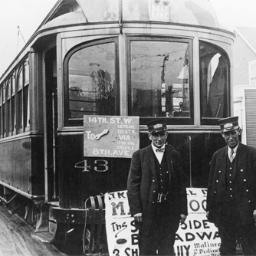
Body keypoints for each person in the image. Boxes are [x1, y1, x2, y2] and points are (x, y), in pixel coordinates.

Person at [127, 120, 187, 255]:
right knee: (147, 248)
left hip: (169, 211)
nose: (159, 139)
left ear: (166, 135)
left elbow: (180, 185)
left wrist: (183, 210)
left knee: (167, 248)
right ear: (149, 136)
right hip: (148, 212)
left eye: (161, 135)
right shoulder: (139, 156)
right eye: (155, 135)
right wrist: (136, 210)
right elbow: (132, 185)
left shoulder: (174, 154)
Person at [206, 116, 256, 255]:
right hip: (224, 213)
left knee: (250, 248)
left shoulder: (251, 154)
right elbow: (212, 184)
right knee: (226, 249)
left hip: (245, 212)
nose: (230, 137)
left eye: (233, 132)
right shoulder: (218, 156)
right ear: (222, 135)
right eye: (227, 134)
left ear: (239, 131)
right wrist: (209, 208)